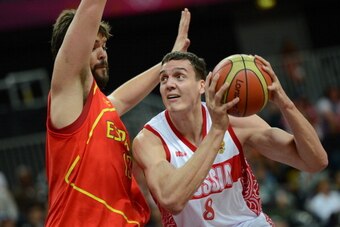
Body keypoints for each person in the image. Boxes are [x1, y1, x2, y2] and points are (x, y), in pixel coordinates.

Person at [132, 51, 328, 226]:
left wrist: (286, 105)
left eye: (179, 76)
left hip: (246, 222)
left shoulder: (237, 121)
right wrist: (217, 130)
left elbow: (315, 162)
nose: (169, 84)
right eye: (164, 79)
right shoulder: (150, 139)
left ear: (202, 85)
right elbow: (171, 199)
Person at [45, 0, 191, 225]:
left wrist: (169, 61)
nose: (102, 54)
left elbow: (123, 97)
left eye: (104, 46)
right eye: (93, 47)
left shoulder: (100, 109)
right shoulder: (66, 89)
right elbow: (90, 9)